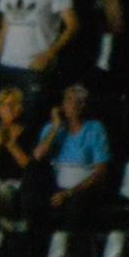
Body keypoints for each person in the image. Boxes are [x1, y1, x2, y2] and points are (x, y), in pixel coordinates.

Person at [0, 0, 79, 127]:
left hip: (33, 69)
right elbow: (5, 27)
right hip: (5, 66)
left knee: (28, 123)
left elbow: (72, 25)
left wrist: (48, 55)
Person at [26, 84, 110, 228]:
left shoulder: (95, 129)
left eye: (71, 100)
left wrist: (69, 193)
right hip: (54, 184)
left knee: (76, 205)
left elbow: (101, 171)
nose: (66, 105)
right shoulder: (52, 128)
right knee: (33, 173)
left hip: (81, 189)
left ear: (82, 105)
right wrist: (56, 127)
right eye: (65, 100)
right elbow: (38, 155)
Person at [0, 86, 33, 230]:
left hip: (17, 185)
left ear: (20, 108)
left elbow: (28, 166)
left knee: (4, 192)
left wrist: (8, 142)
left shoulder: (28, 132)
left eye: (13, 104)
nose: (8, 109)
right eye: (4, 104)